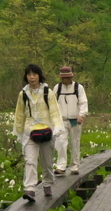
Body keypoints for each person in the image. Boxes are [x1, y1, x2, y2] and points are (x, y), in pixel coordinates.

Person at [13, 63, 65, 202]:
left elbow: (55, 111)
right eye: (29, 75)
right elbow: (19, 114)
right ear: (26, 77)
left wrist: (58, 127)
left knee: (47, 161)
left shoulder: (48, 92)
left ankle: (47, 184)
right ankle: (30, 189)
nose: (32, 77)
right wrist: (18, 132)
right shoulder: (23, 94)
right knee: (30, 160)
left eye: (34, 74)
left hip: (47, 131)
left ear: (39, 76)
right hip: (30, 132)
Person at [53, 66, 88, 175]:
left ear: (71, 77)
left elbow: (83, 102)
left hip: (75, 120)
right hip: (61, 120)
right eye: (63, 78)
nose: (65, 80)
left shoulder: (78, 88)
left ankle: (74, 166)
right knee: (61, 143)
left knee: (75, 143)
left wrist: (81, 115)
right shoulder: (57, 88)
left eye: (67, 78)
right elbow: (53, 104)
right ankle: (61, 167)